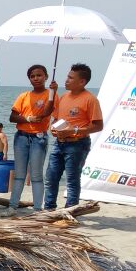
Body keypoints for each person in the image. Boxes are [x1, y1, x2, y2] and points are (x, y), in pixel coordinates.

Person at [44, 63, 103, 210]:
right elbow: (56, 118)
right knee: (51, 177)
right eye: (67, 76)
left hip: (78, 144)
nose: (66, 80)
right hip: (59, 143)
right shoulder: (63, 97)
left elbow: (98, 125)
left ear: (82, 81)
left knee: (72, 180)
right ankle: (49, 209)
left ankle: (70, 211)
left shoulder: (90, 99)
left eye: (71, 78)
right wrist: (54, 127)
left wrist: (73, 131)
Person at [8, 65, 56, 210]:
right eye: (32, 76)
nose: (36, 78)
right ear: (29, 79)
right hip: (21, 137)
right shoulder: (24, 96)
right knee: (19, 174)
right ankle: (12, 206)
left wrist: (53, 92)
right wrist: (28, 119)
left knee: (36, 175)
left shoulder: (50, 94)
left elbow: (47, 112)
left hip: (39, 138)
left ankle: (37, 209)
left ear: (46, 77)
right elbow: (12, 117)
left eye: (39, 75)